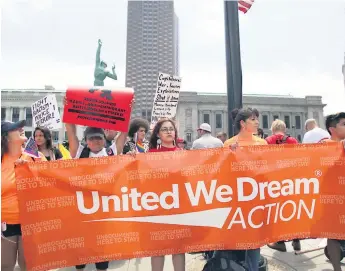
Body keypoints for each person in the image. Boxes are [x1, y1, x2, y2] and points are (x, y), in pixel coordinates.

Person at [64, 97, 129, 271]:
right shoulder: (79, 152)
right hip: (83, 209)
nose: (96, 141)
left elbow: (123, 132)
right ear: (86, 140)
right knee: (81, 255)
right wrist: (68, 108)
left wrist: (128, 109)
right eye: (91, 138)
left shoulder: (111, 152)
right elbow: (70, 130)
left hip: (104, 208)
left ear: (103, 139)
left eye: (99, 138)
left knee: (102, 252)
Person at [224, 108, 266, 271]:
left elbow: (268, 169)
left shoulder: (262, 143)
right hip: (237, 199)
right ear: (242, 123)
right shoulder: (229, 144)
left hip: (256, 197)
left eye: (257, 119)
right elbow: (224, 173)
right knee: (237, 236)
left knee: (255, 239)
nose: (257, 122)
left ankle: (253, 268)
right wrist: (230, 156)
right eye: (253, 119)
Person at [1, 120, 46, 271]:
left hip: (32, 222)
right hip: (6, 223)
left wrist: (30, 170)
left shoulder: (34, 156)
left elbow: (51, 183)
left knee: (28, 265)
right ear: (6, 137)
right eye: (15, 128)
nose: (21, 129)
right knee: (6, 265)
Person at [148, 119, 185, 271]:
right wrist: (131, 159)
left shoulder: (184, 154)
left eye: (171, 129)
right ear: (158, 134)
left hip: (179, 206)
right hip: (158, 206)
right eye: (165, 129)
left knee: (178, 248)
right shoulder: (150, 155)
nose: (169, 131)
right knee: (158, 248)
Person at [265, 120, 301, 252]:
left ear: (272, 129)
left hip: (274, 180)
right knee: (292, 208)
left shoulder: (268, 140)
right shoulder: (293, 140)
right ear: (284, 129)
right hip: (291, 179)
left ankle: (280, 242)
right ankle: (296, 239)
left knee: (278, 209)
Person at [321, 112, 345, 271]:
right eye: (343, 124)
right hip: (332, 198)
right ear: (332, 129)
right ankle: (337, 268)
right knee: (333, 234)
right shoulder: (323, 146)